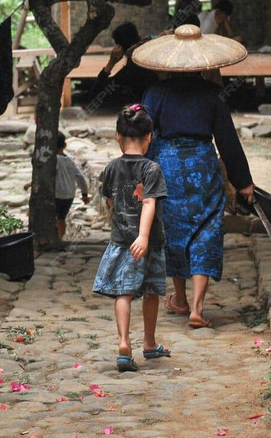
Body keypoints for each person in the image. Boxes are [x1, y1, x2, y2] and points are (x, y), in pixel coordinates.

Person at [142, 41, 254, 329]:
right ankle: (197, 307)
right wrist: (243, 182)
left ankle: (179, 297)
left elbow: (146, 137)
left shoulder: (156, 94)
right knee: (207, 228)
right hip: (203, 169)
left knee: (173, 231)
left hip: (168, 170)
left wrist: (142, 177)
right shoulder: (213, 94)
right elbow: (227, 141)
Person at [92, 104, 171, 372]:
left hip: (121, 241)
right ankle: (149, 342)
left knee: (122, 293)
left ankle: (124, 343)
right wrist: (144, 237)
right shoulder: (152, 169)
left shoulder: (111, 168)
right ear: (149, 136)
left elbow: (109, 200)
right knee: (151, 292)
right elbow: (149, 203)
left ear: (118, 136)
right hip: (149, 243)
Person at [89, 21, 153, 106]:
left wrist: (111, 63)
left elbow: (98, 91)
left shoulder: (130, 70)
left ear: (120, 47)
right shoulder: (152, 59)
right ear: (139, 37)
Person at [55, 131, 90, 240]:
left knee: (52, 218)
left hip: (55, 194)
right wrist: (84, 194)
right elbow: (81, 178)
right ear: (65, 145)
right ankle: (60, 238)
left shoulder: (52, 161)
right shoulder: (69, 161)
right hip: (69, 196)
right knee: (61, 218)